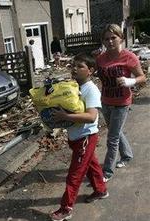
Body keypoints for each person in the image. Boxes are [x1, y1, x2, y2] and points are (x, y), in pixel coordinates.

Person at [50, 53, 108, 221]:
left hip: (85, 137)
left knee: (74, 175)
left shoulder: (91, 89)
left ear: (90, 70)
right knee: (91, 165)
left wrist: (65, 117)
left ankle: (66, 208)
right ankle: (101, 190)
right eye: (73, 66)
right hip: (77, 137)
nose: (74, 69)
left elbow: (91, 116)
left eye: (80, 66)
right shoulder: (75, 87)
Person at [95, 24, 147, 182]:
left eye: (113, 38)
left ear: (121, 38)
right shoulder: (100, 58)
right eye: (106, 39)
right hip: (105, 100)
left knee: (112, 137)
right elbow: (99, 76)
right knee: (116, 131)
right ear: (103, 41)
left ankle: (107, 171)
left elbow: (142, 78)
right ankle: (127, 155)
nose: (110, 41)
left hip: (122, 102)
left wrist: (130, 81)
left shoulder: (129, 57)